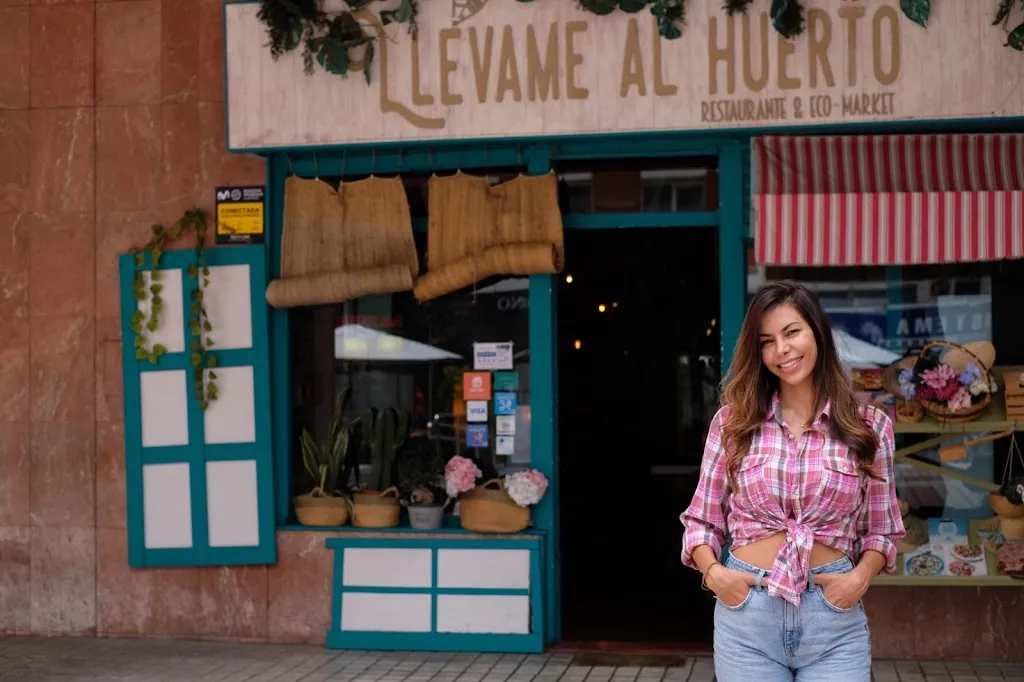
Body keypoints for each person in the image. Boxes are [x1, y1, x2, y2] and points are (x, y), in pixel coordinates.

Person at [680, 280, 905, 682]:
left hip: (832, 618)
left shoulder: (869, 427)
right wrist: (716, 576)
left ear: (816, 331)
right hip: (747, 616)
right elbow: (701, 521)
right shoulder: (732, 424)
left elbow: (882, 531)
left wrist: (859, 579)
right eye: (767, 341)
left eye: (792, 332)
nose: (781, 350)